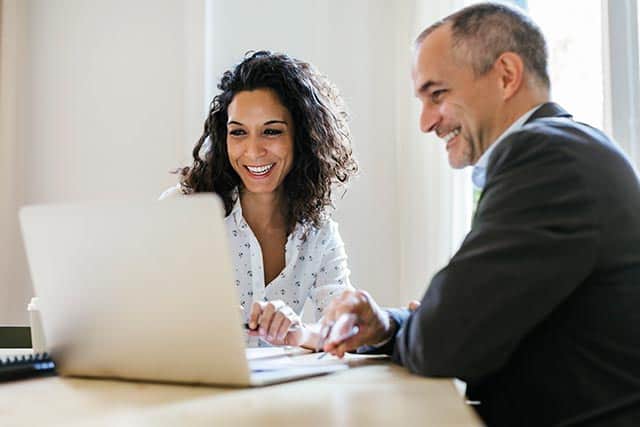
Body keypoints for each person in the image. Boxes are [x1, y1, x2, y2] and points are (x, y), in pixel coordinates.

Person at [317, 3, 640, 426]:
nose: (426, 122)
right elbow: (464, 321)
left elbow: (444, 340)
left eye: (438, 94)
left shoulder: (545, 157)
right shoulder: (571, 148)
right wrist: (389, 323)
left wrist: (430, 320)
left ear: (506, 75)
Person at [161, 51, 358, 348]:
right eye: (238, 132)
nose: (253, 151)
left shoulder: (319, 235)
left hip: (275, 394)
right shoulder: (184, 210)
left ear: (302, 137)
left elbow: (345, 332)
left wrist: (297, 331)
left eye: (271, 131)